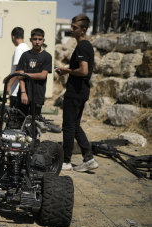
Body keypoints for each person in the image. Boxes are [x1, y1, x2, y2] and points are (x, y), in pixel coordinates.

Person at [56, 15, 98, 172]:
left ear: (83, 30)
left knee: (68, 126)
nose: (71, 30)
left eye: (74, 27)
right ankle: (88, 157)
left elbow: (84, 71)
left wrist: (67, 70)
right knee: (75, 125)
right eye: (71, 27)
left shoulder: (82, 47)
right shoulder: (86, 46)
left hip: (75, 93)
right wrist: (68, 70)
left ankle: (66, 161)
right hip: (81, 92)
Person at [15, 28, 52, 118]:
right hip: (24, 94)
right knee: (20, 122)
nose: (37, 42)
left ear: (43, 40)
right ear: (30, 40)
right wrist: (23, 92)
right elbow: (20, 76)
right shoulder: (25, 55)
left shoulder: (47, 56)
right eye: (35, 39)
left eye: (40, 39)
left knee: (34, 123)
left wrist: (25, 75)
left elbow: (43, 75)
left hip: (38, 95)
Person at [4, 27, 30, 108]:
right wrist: (8, 77)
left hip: (16, 91)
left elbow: (18, 70)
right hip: (25, 89)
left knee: (14, 118)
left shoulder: (19, 49)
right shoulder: (27, 48)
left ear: (13, 37)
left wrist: (8, 86)